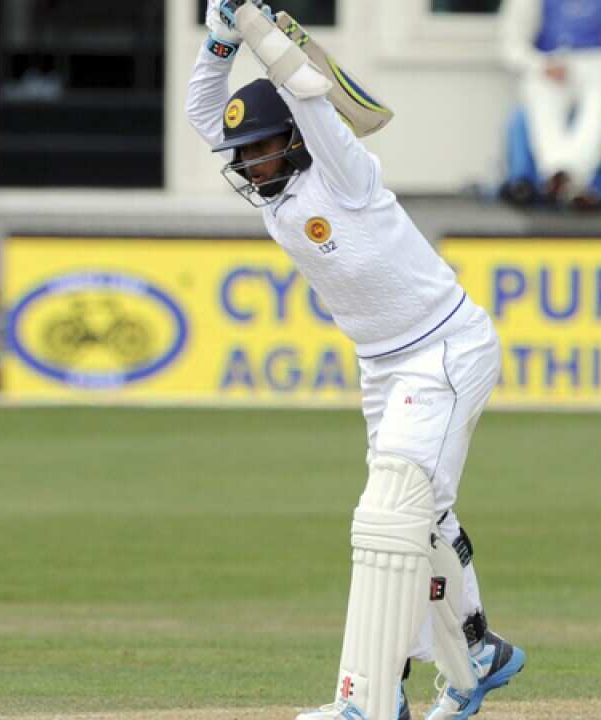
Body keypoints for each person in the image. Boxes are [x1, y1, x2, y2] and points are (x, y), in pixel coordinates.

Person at [186, 2, 525, 719]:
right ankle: (475, 654)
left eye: (261, 150)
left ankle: (368, 699)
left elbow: (310, 92)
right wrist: (220, 38)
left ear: (295, 143)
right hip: (382, 365)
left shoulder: (343, 173)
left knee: (389, 518)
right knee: (420, 519)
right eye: (243, 155)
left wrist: (259, 32)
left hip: (443, 348)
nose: (249, 164)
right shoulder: (274, 193)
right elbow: (202, 113)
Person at [499, 0, 601, 209]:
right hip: (550, 61)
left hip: (600, 60)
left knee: (599, 104)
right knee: (541, 98)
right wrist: (540, 64)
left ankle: (560, 176)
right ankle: (570, 181)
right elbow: (511, 45)